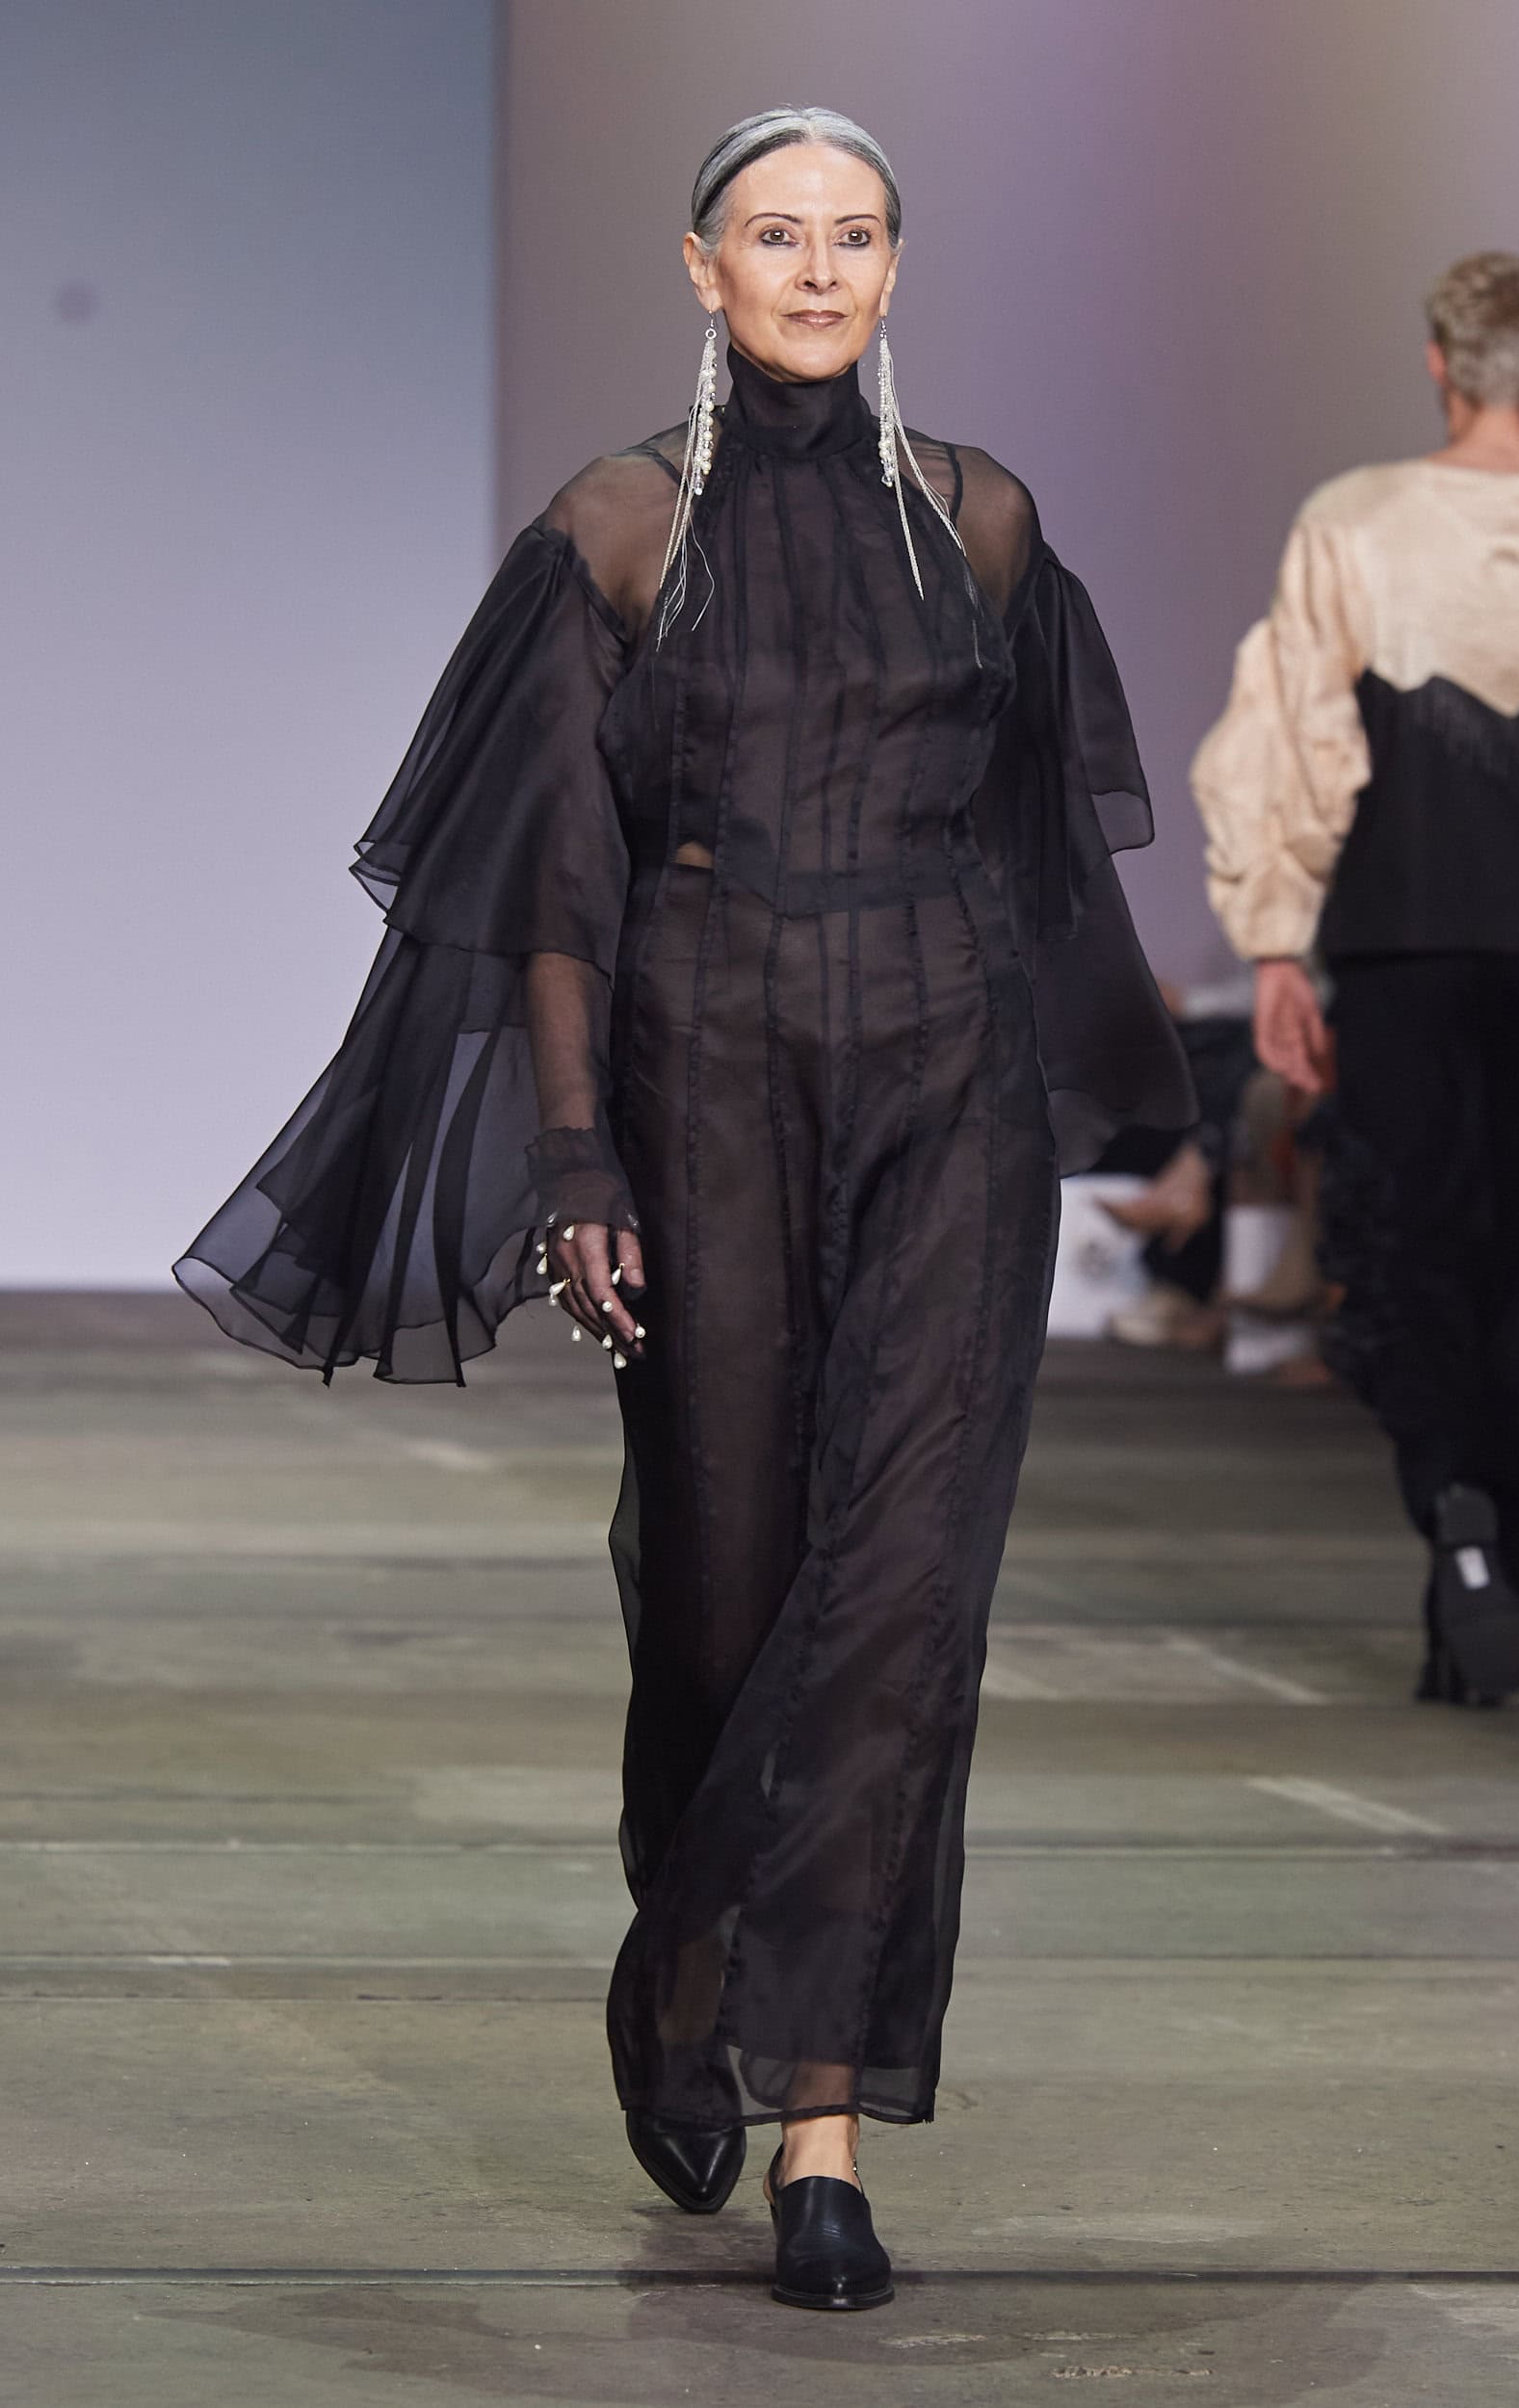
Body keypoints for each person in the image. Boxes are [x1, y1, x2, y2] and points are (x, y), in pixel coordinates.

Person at [176, 107, 1192, 2307]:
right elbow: (556, 876)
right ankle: (683, 1969)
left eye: (855, 236)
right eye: (776, 235)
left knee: (904, 1598)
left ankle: (825, 2124)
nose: (817, 271)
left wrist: (1105, 1091)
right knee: (730, 1600)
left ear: (896, 269)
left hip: (947, 1078)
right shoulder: (619, 527)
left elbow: (1038, 845)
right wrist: (573, 1155)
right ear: (702, 267)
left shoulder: (980, 520)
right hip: (707, 1070)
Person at [1192, 251, 1519, 1706]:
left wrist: (1273, 940)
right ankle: (1489, 1590)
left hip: (1400, 929)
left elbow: (1293, 737)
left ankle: (1458, 1516)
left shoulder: (1355, 521)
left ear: (1439, 362)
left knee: (1413, 1244)